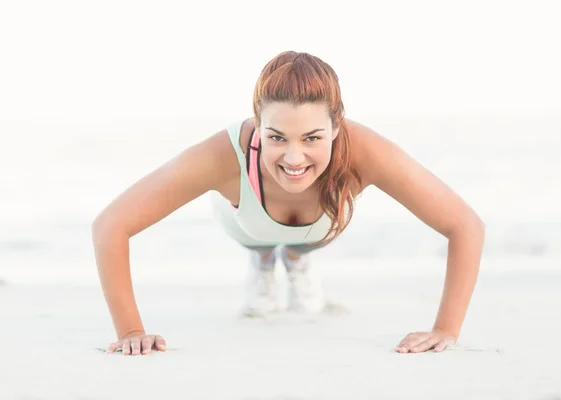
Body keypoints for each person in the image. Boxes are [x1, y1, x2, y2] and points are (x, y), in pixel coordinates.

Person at [92, 51, 485, 356]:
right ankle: (263, 259)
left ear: (336, 126)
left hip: (319, 225)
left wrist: (445, 330)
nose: (294, 158)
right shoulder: (222, 155)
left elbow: (465, 225)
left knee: (307, 237)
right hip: (245, 221)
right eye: (277, 137)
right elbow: (111, 224)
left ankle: (295, 258)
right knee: (260, 239)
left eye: (312, 138)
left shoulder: (366, 151)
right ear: (257, 123)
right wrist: (131, 332)